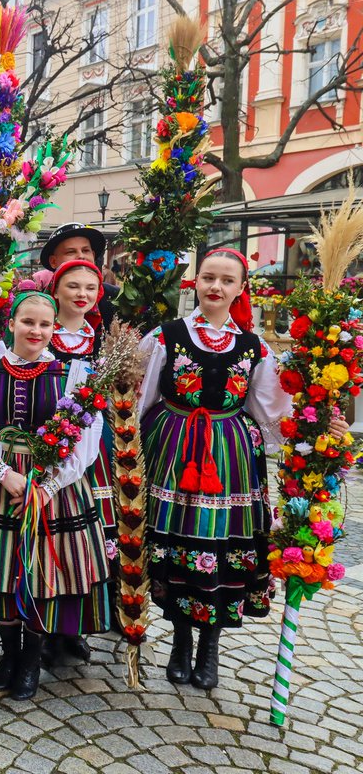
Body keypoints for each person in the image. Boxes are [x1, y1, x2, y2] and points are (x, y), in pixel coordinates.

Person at [137, 249, 342, 690]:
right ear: (194, 282)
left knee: (222, 540)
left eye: (227, 281)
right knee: (176, 540)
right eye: (208, 277)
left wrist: (321, 427)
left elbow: (273, 412)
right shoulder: (164, 336)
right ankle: (179, 638)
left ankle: (210, 645)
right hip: (173, 450)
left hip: (231, 457)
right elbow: (139, 399)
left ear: (240, 289)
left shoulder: (255, 347)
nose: (216, 287)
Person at [0, 291, 112, 700]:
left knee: (40, 575)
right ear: (12, 324)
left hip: (53, 491)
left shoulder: (75, 376)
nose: (35, 331)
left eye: (44, 324)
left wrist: (47, 487)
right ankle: (8, 654)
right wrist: (2, 471)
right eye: (27, 322)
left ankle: (31, 659)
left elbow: (86, 445)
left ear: (54, 328)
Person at [42, 259, 117, 665]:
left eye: (91, 287)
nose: (82, 294)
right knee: (51, 534)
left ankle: (75, 626)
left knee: (87, 538)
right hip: (47, 441)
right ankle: (48, 626)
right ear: (56, 290)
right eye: (73, 286)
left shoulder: (102, 340)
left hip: (94, 447)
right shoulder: (41, 331)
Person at [39, 223, 120, 329]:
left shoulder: (115, 297)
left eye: (86, 251)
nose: (81, 256)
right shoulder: (39, 302)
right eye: (70, 252)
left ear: (93, 255)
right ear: (53, 261)